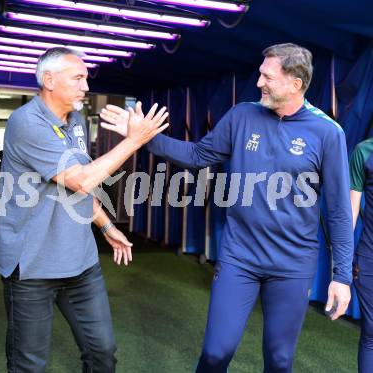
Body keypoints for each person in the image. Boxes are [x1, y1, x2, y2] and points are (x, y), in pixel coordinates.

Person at [100, 43, 353, 372]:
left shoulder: (327, 133)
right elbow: (198, 156)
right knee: (216, 353)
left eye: (268, 77)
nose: (259, 82)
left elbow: (337, 211)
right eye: (260, 74)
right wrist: (142, 138)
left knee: (279, 360)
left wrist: (342, 277)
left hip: (292, 264)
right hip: (240, 258)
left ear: (295, 83)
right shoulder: (242, 115)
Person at [0, 47, 168, 373]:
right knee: (28, 365)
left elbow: (78, 188)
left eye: (86, 78)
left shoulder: (76, 122)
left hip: (80, 263)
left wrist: (106, 226)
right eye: (78, 78)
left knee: (102, 352)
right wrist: (134, 140)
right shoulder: (26, 122)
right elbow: (80, 180)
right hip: (33, 267)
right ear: (49, 80)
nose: (85, 86)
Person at [350, 139, 373, 372]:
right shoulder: (364, 151)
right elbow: (351, 214)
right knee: (372, 332)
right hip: (369, 259)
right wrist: (342, 266)